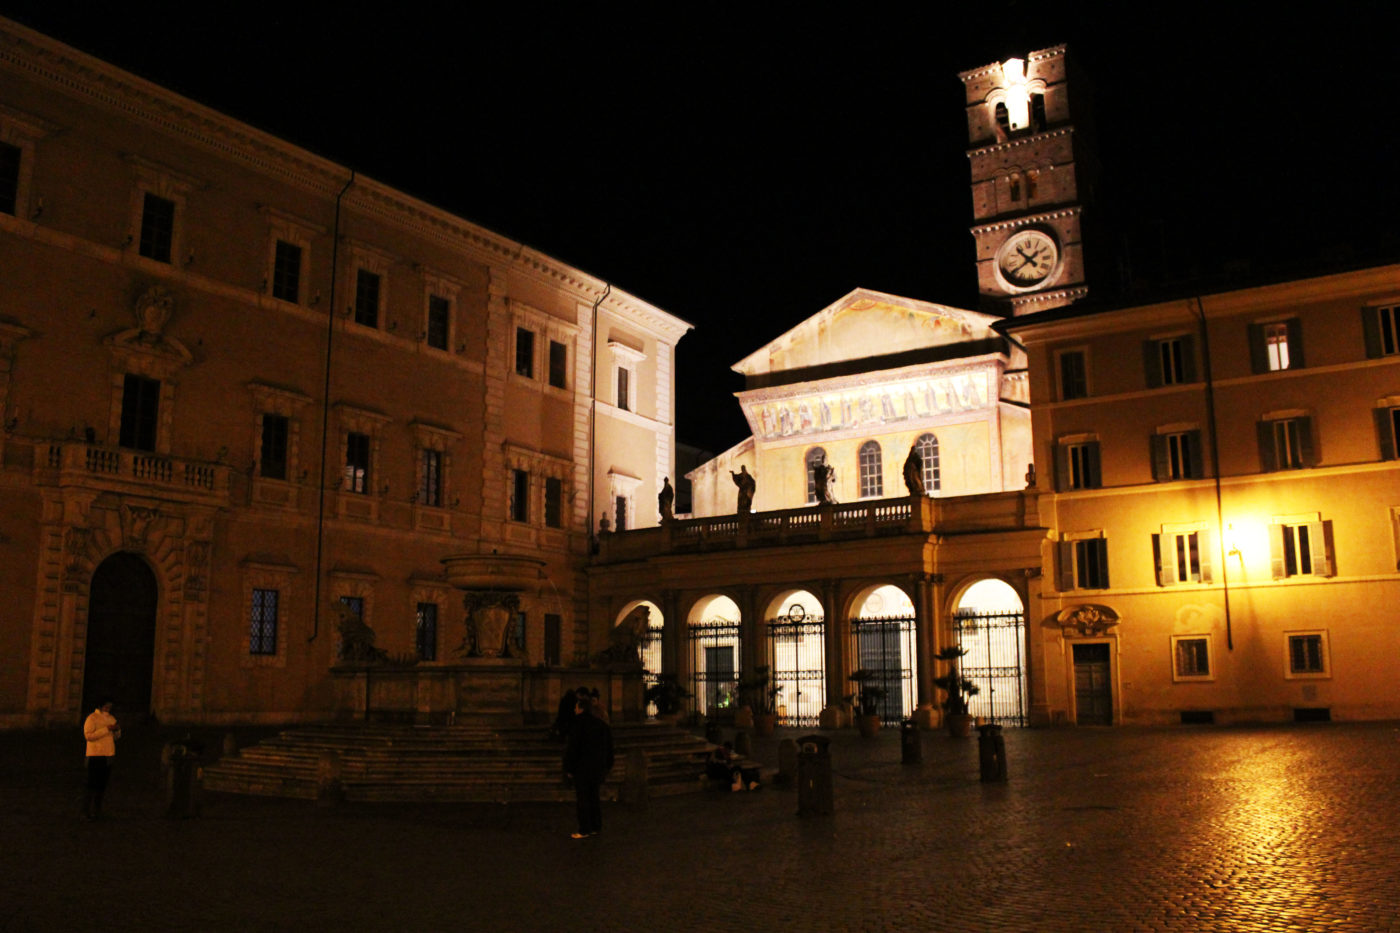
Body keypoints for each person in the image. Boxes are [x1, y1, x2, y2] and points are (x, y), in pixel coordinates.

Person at [562, 692, 614, 838]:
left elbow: (573, 749)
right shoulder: (602, 725)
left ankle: (584, 828)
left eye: (576, 708)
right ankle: (596, 826)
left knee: (583, 799)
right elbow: (609, 747)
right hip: (597, 768)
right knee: (594, 797)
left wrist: (569, 768)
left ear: (581, 709)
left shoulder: (577, 726)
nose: (574, 710)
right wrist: (608, 765)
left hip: (582, 768)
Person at [83, 698, 120, 820]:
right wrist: (106, 729)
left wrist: (116, 730)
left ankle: (98, 809)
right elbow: (88, 736)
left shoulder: (111, 718)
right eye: (106, 707)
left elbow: (116, 737)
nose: (108, 709)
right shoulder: (92, 718)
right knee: (92, 783)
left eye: (110, 707)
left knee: (102, 784)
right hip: (95, 755)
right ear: (100, 706)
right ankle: (87, 810)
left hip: (108, 754)